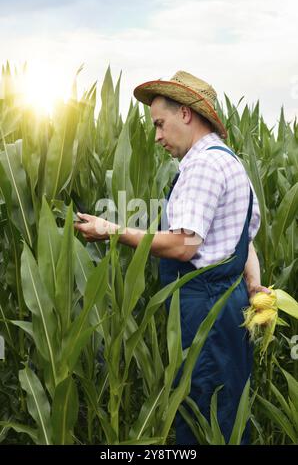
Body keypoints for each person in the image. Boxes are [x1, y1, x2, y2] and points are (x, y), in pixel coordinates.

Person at [75, 71, 268, 444]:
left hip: (205, 314)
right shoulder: (229, 161)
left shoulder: (202, 166)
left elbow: (184, 245)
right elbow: (245, 239)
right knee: (227, 416)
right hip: (229, 308)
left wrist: (109, 230)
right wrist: (253, 284)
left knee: (200, 417)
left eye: (160, 124)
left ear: (186, 114)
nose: (158, 136)